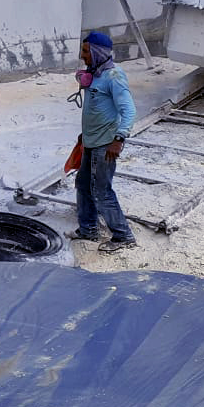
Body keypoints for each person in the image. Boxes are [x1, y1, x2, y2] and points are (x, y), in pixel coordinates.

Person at [67, 32, 138, 253]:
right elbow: (95, 110)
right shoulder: (94, 74)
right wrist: (84, 136)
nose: (82, 56)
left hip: (105, 145)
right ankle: (88, 229)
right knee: (82, 184)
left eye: (86, 51)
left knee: (101, 191)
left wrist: (119, 139)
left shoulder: (113, 77)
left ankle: (123, 236)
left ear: (98, 52)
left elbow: (129, 111)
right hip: (91, 141)